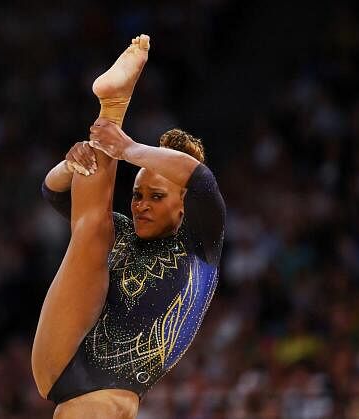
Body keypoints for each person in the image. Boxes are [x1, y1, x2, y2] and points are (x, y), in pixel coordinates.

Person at [32, 35, 226, 419]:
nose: (141, 206)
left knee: (94, 225)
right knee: (93, 226)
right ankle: (113, 105)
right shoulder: (118, 231)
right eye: (137, 195)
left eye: (156, 197)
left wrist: (127, 150)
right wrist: (69, 165)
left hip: (105, 394)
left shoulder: (202, 244)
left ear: (185, 206)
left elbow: (199, 179)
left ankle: (113, 109)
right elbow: (52, 192)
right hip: (72, 355)